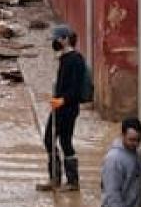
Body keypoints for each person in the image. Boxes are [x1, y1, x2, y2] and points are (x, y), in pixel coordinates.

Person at [36, 25, 86, 192]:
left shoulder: (75, 60)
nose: (54, 43)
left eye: (56, 39)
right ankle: (55, 178)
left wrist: (62, 100)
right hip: (60, 107)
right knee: (50, 139)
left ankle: (71, 181)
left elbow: (75, 89)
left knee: (64, 141)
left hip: (68, 108)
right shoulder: (64, 58)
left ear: (65, 39)